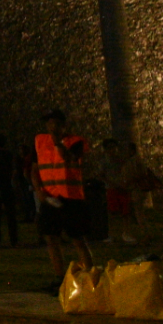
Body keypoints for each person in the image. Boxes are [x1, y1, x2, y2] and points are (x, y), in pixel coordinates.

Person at [32, 108, 93, 293]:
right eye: (49, 123)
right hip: (50, 198)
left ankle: (90, 277)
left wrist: (58, 142)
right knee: (51, 238)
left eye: (56, 123)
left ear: (64, 125)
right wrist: (39, 191)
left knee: (78, 239)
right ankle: (60, 278)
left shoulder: (76, 142)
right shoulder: (40, 141)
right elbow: (34, 168)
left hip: (71, 198)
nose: (52, 127)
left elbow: (68, 159)